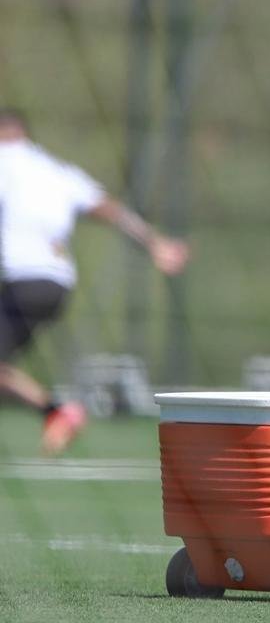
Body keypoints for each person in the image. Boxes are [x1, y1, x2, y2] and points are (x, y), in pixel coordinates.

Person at [0, 108, 189, 455]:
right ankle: (57, 412)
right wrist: (155, 243)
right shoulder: (55, 170)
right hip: (56, 284)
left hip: (23, 281)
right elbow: (110, 209)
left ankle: (57, 411)